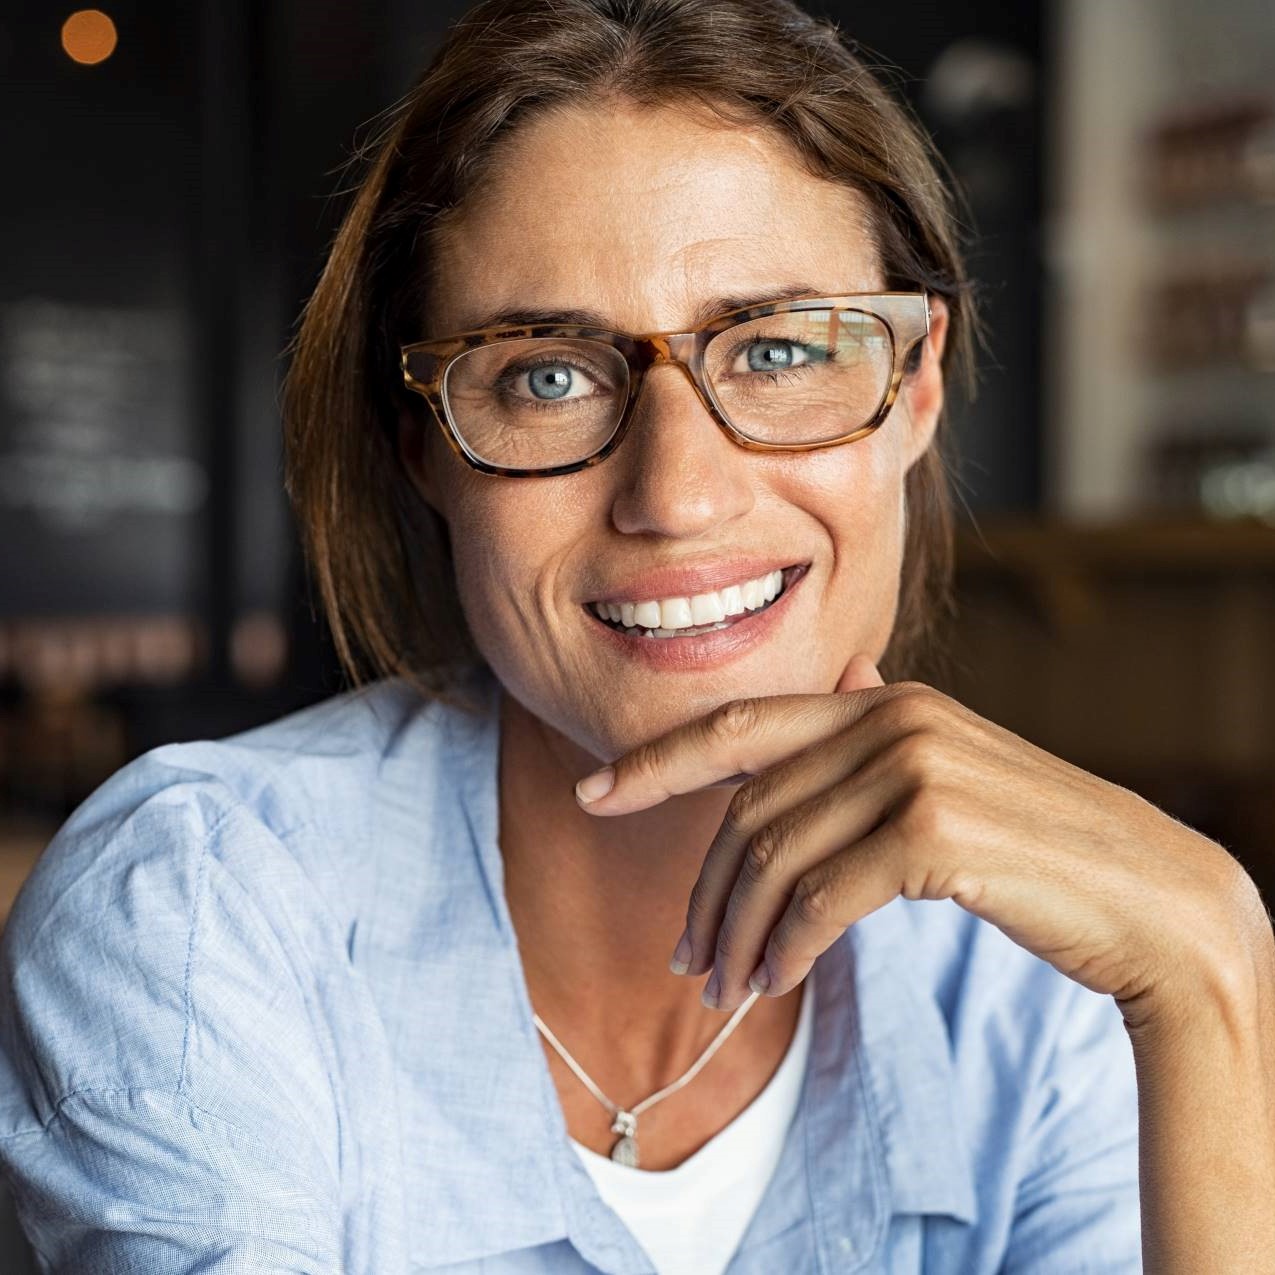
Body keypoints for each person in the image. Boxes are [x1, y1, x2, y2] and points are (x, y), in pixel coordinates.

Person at [2, 0, 1273, 1271]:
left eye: (776, 349)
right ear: (424, 450)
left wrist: (1211, 973)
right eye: (548, 374)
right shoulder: (202, 907)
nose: (677, 494)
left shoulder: (1037, 997)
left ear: (917, 388)